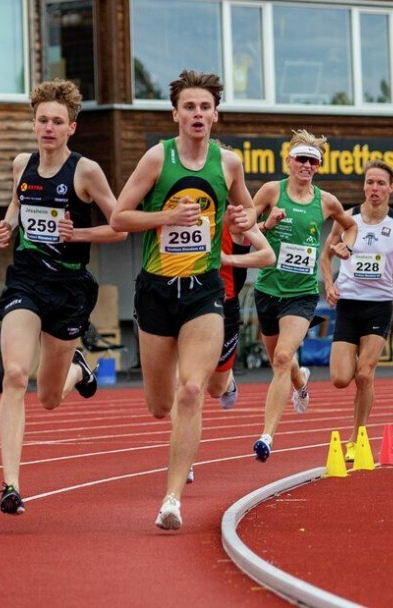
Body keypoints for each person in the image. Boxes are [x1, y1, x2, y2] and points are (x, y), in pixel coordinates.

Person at [110, 69, 255, 530]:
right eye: (189, 107)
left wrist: (242, 220)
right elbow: (118, 217)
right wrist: (166, 217)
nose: (197, 114)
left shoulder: (228, 163)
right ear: (175, 114)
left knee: (192, 389)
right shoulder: (157, 158)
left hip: (204, 288)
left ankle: (172, 499)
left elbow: (246, 213)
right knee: (159, 404)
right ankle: (177, 437)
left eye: (205, 107)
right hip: (156, 289)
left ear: (216, 115)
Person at [0, 79, 128, 515]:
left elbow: (121, 224)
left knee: (48, 396)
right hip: (27, 280)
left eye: (57, 121)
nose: (48, 128)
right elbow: (18, 204)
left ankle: (79, 371)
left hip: (69, 289)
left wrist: (81, 232)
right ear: (33, 124)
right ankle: (10, 485)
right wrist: (8, 224)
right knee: (14, 374)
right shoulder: (21, 165)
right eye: (42, 120)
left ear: (72, 126)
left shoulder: (86, 172)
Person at [250, 129, 357, 462]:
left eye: (313, 161)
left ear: (318, 167)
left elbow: (349, 224)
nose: (307, 165)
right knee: (280, 362)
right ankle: (301, 383)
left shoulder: (325, 201)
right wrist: (267, 224)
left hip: (302, 294)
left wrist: (345, 246)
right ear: (289, 161)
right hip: (268, 289)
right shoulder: (271, 191)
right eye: (302, 159)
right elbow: (243, 225)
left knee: (283, 357)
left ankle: (266, 436)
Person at [319, 159, 393, 462]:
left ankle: (357, 436)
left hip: (379, 306)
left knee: (365, 374)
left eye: (381, 183)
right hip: (348, 305)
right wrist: (329, 285)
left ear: (391, 188)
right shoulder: (347, 219)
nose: (375, 188)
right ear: (364, 187)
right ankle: (358, 418)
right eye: (370, 182)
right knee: (342, 378)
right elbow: (325, 255)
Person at [204, 218, 275, 410]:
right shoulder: (188, 215)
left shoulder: (237, 218)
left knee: (215, 388)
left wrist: (228, 259)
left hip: (226, 302)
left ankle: (228, 380)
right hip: (193, 300)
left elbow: (268, 256)